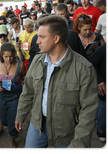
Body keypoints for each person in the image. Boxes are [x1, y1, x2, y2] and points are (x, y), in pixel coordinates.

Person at [15, 15, 99, 149]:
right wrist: (20, 114)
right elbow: (28, 92)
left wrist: (78, 145)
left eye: (42, 37)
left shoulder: (84, 69)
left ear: (56, 38)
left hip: (66, 131)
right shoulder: (37, 61)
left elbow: (88, 112)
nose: (37, 41)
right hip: (38, 125)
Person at [0, 43, 26, 149]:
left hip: (15, 96)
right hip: (1, 96)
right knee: (3, 118)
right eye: (6, 56)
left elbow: (24, 77)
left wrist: (22, 82)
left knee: (12, 120)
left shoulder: (20, 65)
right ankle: (4, 128)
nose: (9, 59)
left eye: (11, 56)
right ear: (1, 55)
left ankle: (12, 139)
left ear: (14, 54)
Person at [88, 42, 107, 142]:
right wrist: (99, 81)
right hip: (104, 94)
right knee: (102, 117)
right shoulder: (104, 50)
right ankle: (101, 131)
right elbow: (90, 66)